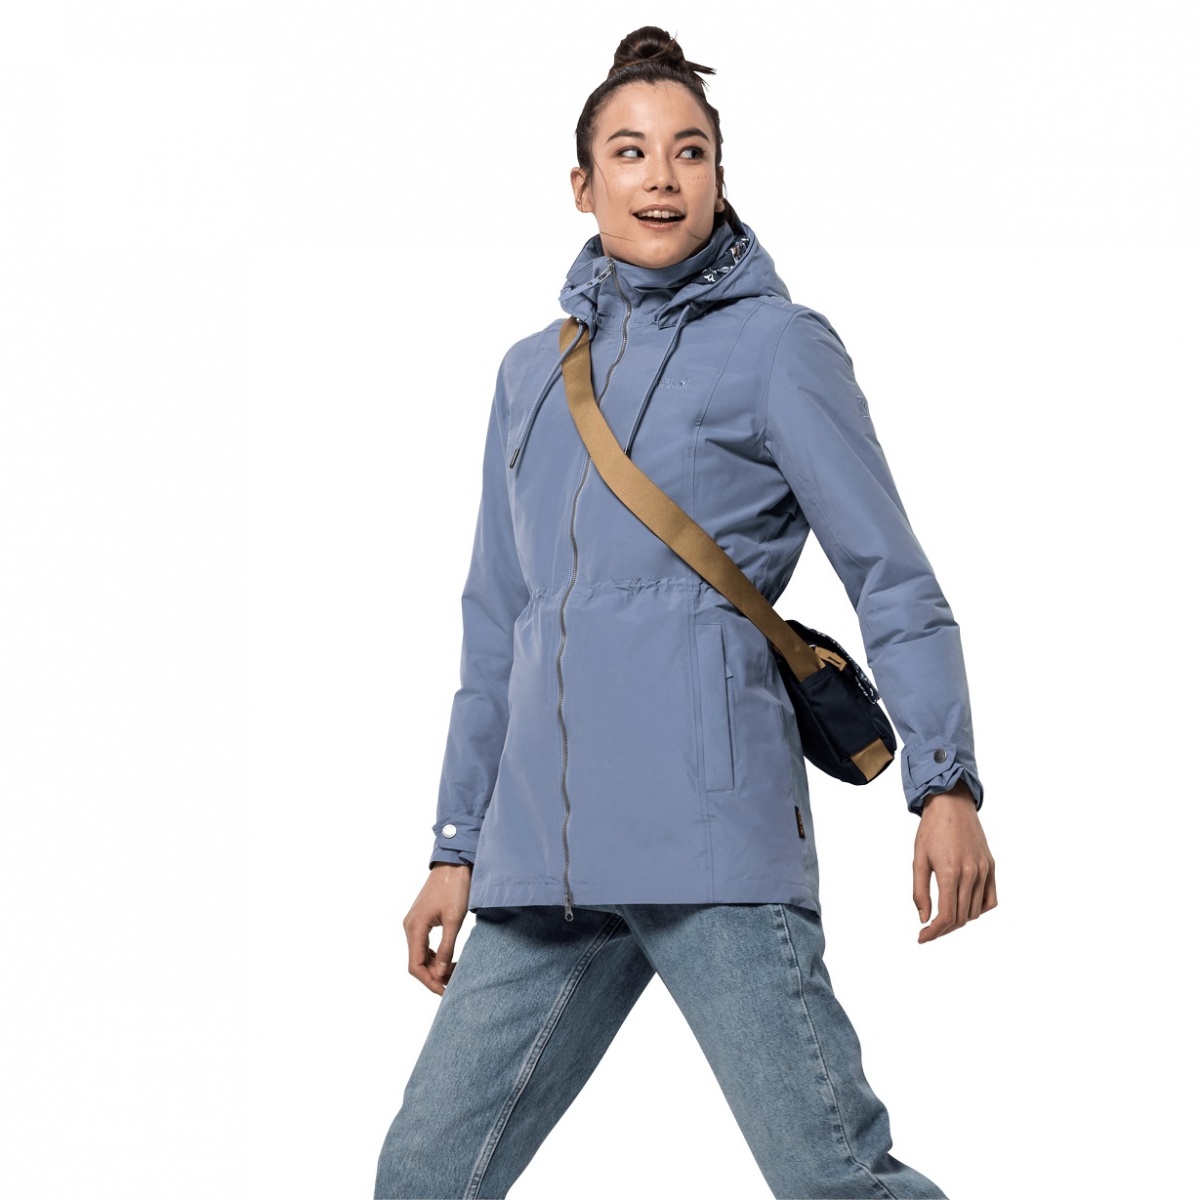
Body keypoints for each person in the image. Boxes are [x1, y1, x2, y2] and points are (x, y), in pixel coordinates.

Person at [375, 25, 997, 1200]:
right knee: (422, 1177)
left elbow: (891, 576)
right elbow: (497, 624)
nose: (661, 176)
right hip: (544, 865)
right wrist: (457, 846)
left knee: (832, 1180)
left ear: (718, 175)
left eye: (689, 151)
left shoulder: (779, 348)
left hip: (711, 841)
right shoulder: (529, 373)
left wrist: (945, 782)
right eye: (630, 151)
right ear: (582, 184)